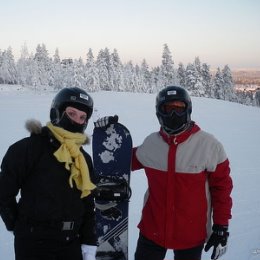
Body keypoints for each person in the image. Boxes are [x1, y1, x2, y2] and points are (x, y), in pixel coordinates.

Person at [95, 85, 233, 260]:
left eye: (179, 108)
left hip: (190, 234)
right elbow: (120, 163)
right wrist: (107, 135)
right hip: (152, 230)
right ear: (159, 113)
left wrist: (221, 226)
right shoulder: (152, 143)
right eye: (168, 109)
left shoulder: (209, 145)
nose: (173, 114)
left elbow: (222, 188)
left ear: (188, 110)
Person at [0, 87, 97, 260]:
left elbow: (88, 203)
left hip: (71, 244)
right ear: (57, 113)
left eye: (82, 117)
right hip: (33, 244)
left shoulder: (82, 159)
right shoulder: (28, 149)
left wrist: (89, 240)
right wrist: (17, 225)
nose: (77, 121)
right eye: (71, 113)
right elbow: (3, 192)